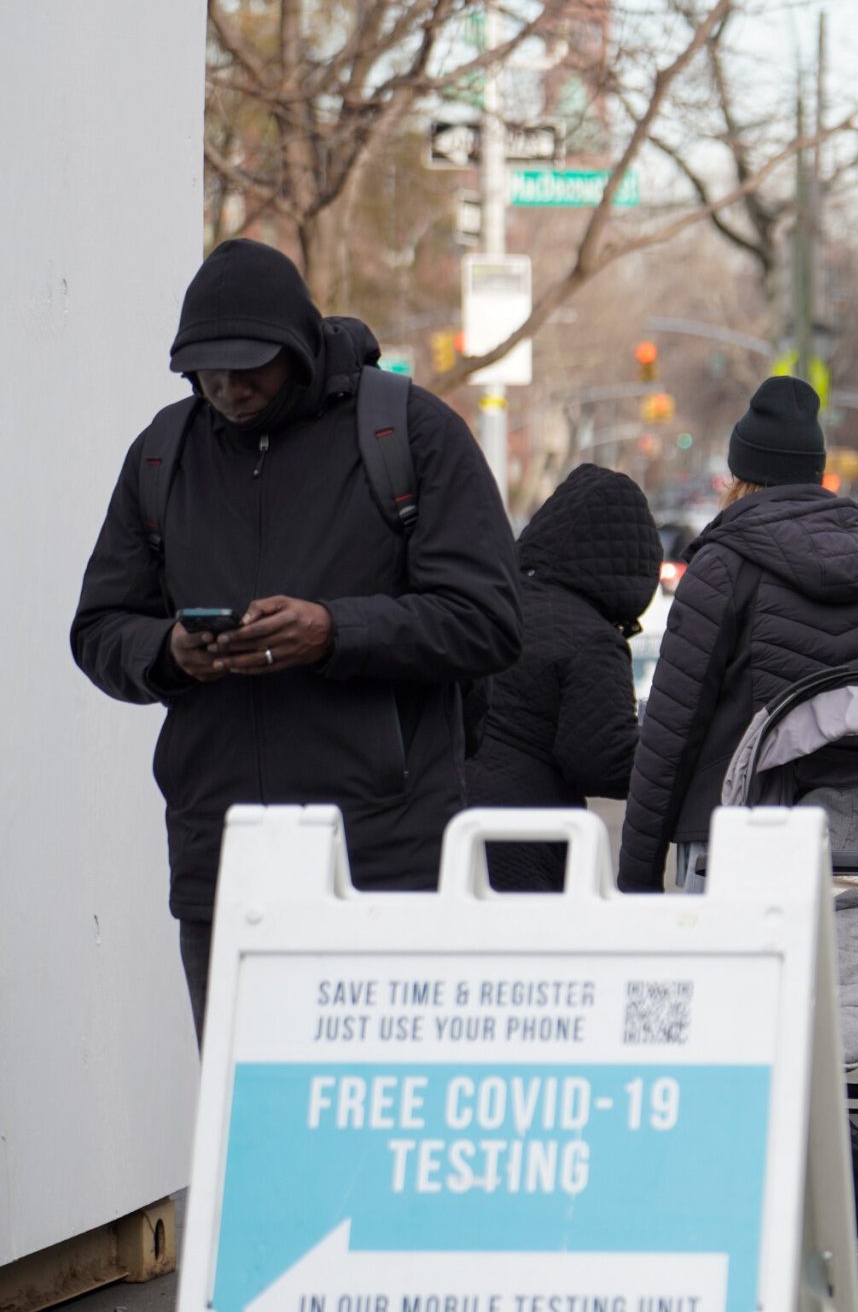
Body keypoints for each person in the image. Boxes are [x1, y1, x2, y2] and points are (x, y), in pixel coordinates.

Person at [71, 238, 522, 1043]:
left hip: (386, 864)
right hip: (224, 861)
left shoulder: (409, 434)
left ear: (301, 350)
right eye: (208, 372)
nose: (230, 388)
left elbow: (488, 618)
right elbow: (100, 627)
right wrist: (167, 652)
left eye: (251, 367)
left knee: (389, 1123)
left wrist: (334, 630)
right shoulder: (161, 454)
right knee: (250, 1129)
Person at [620, 376, 858, 898]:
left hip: (728, 834)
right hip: (850, 839)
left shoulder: (723, 565)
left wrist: (638, 874)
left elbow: (671, 731)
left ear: (741, 472)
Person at [466, 464, 660, 892]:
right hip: (525, 838)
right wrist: (664, 743)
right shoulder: (591, 639)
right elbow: (600, 762)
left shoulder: (487, 605)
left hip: (440, 817)